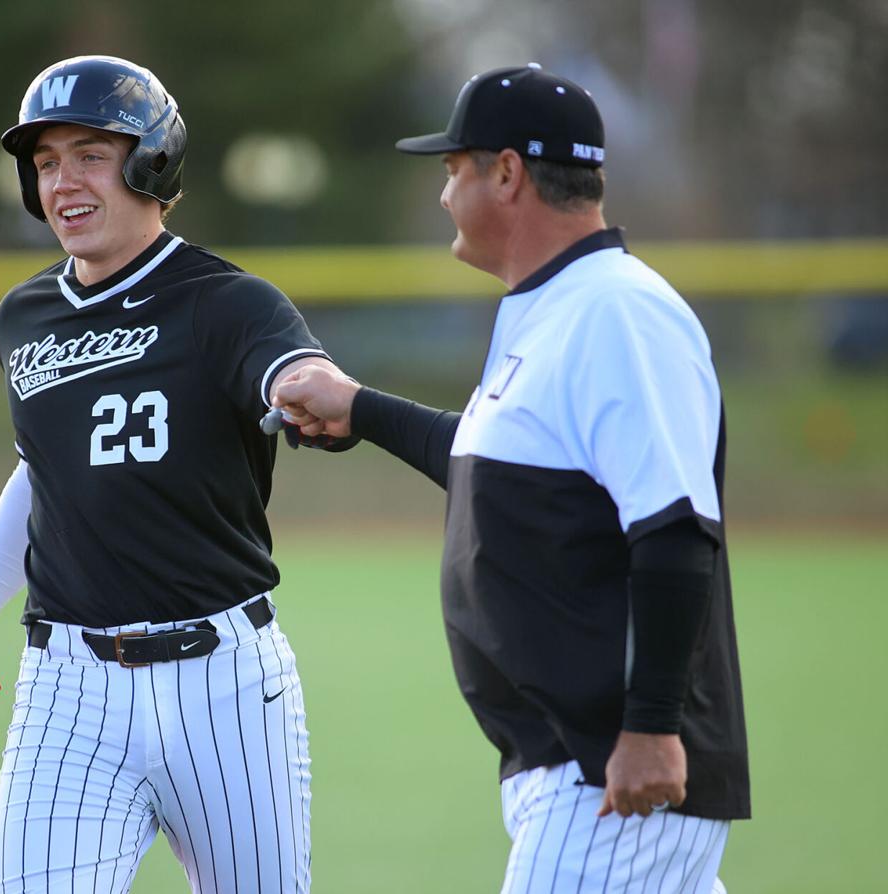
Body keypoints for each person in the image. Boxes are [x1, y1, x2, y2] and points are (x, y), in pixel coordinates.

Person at [273, 64, 750, 892]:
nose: (444, 193)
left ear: (507, 171)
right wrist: (360, 408)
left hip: (609, 775)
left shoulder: (618, 311)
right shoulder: (557, 305)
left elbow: (675, 530)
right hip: (571, 767)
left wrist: (651, 729)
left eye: (453, 170)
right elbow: (499, 469)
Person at [0, 54, 352, 894]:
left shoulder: (228, 302)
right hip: (67, 688)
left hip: (224, 682)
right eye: (44, 164)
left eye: (88, 155)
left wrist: (307, 389)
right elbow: (44, 472)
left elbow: (292, 369)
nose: (62, 182)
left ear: (152, 160)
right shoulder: (24, 315)